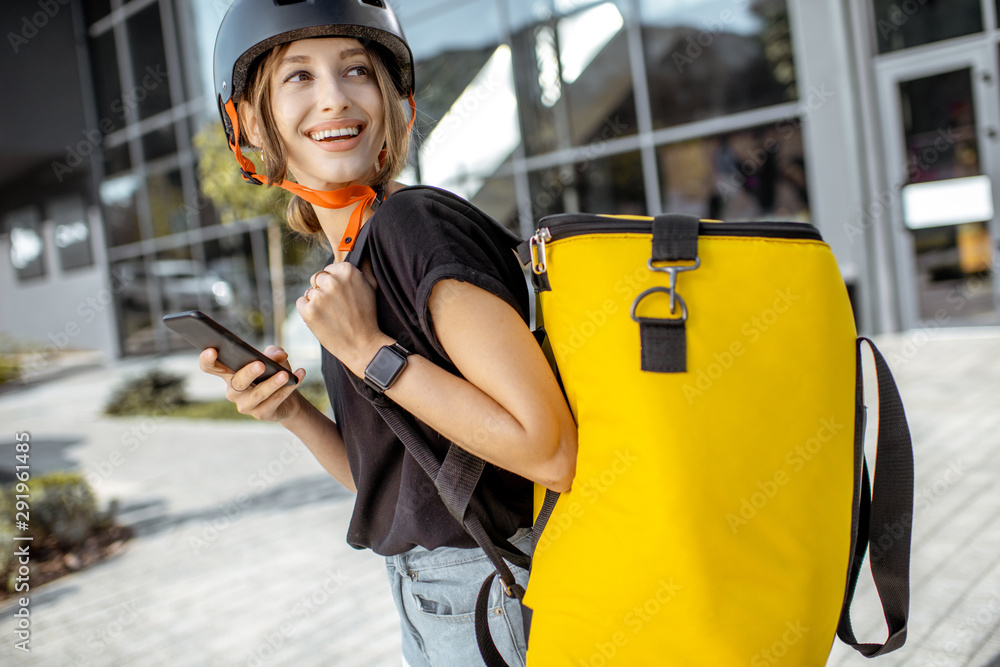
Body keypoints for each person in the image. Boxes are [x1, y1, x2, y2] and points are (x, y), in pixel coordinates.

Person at [204, 2, 578, 665]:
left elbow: (550, 452)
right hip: (432, 595)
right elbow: (398, 479)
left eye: (356, 69)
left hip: (493, 595)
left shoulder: (413, 227)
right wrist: (295, 412)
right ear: (250, 125)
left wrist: (369, 352)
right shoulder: (352, 263)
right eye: (299, 77)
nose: (335, 98)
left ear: (391, 99)